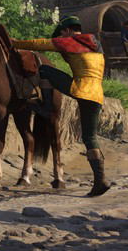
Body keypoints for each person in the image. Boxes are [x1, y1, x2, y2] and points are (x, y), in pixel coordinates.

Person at [9, 16, 111, 196]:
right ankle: (100, 180)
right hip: (97, 95)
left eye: (62, 33)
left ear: (68, 30)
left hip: (80, 89)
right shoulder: (95, 43)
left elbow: (40, 44)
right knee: (90, 138)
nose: (61, 37)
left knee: (44, 70)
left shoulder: (70, 41)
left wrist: (15, 42)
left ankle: (47, 107)